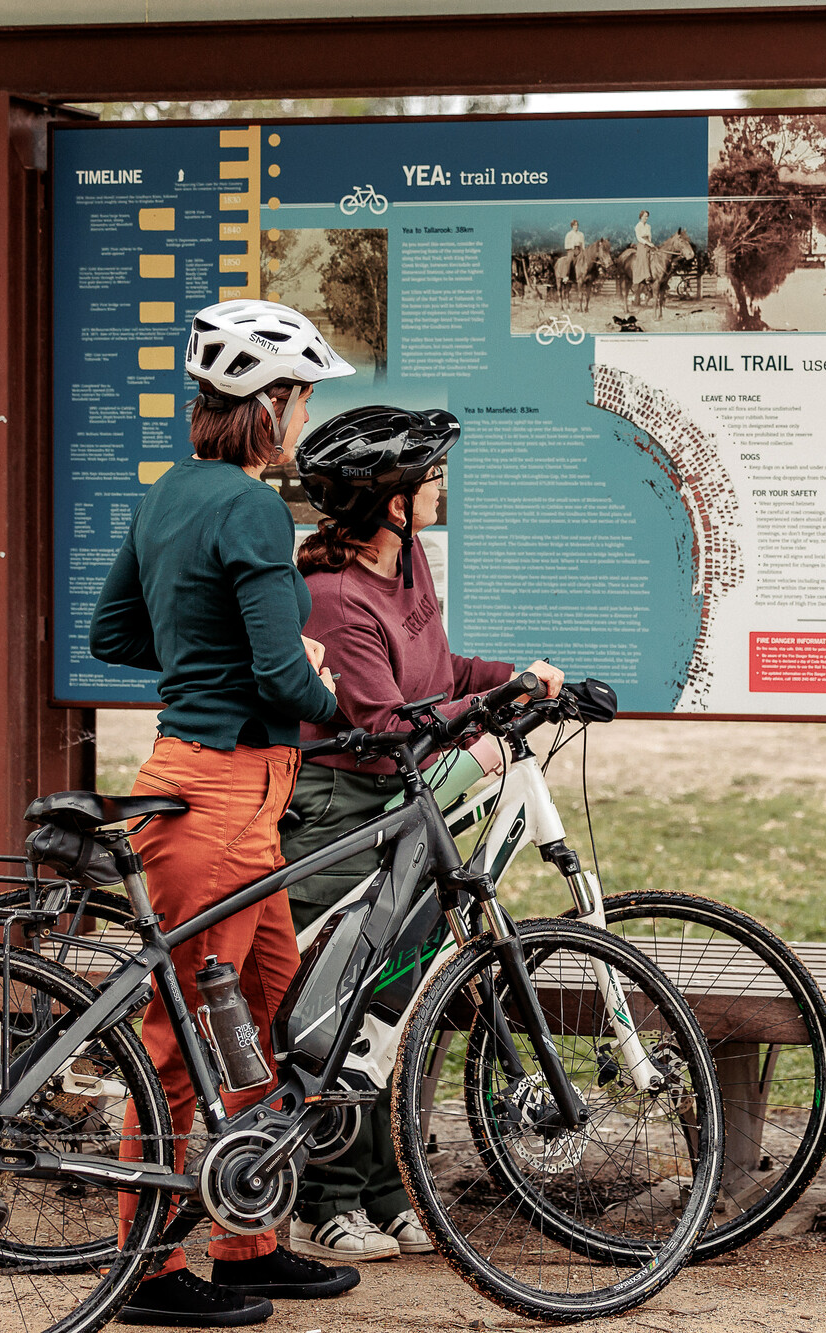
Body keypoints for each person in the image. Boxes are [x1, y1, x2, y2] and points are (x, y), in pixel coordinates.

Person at [90, 298, 361, 1328]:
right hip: (217, 792)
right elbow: (282, 674)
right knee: (175, 1038)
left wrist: (209, 661)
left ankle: (247, 1244)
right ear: (271, 405)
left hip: (222, 781)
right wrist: (337, 704)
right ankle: (147, 1272)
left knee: (262, 1009)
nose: (300, 420)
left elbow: (117, 628)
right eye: (299, 400)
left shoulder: (169, 495)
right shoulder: (254, 510)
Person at [276, 404, 564, 1263]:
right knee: (346, 997)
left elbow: (438, 672)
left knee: (395, 997)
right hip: (345, 804)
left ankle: (382, 1185)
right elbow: (385, 716)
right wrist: (487, 707)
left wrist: (512, 678)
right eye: (429, 476)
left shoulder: (409, 567)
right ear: (389, 499)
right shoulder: (331, 595)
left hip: (412, 803)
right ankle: (324, 1194)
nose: (442, 486)